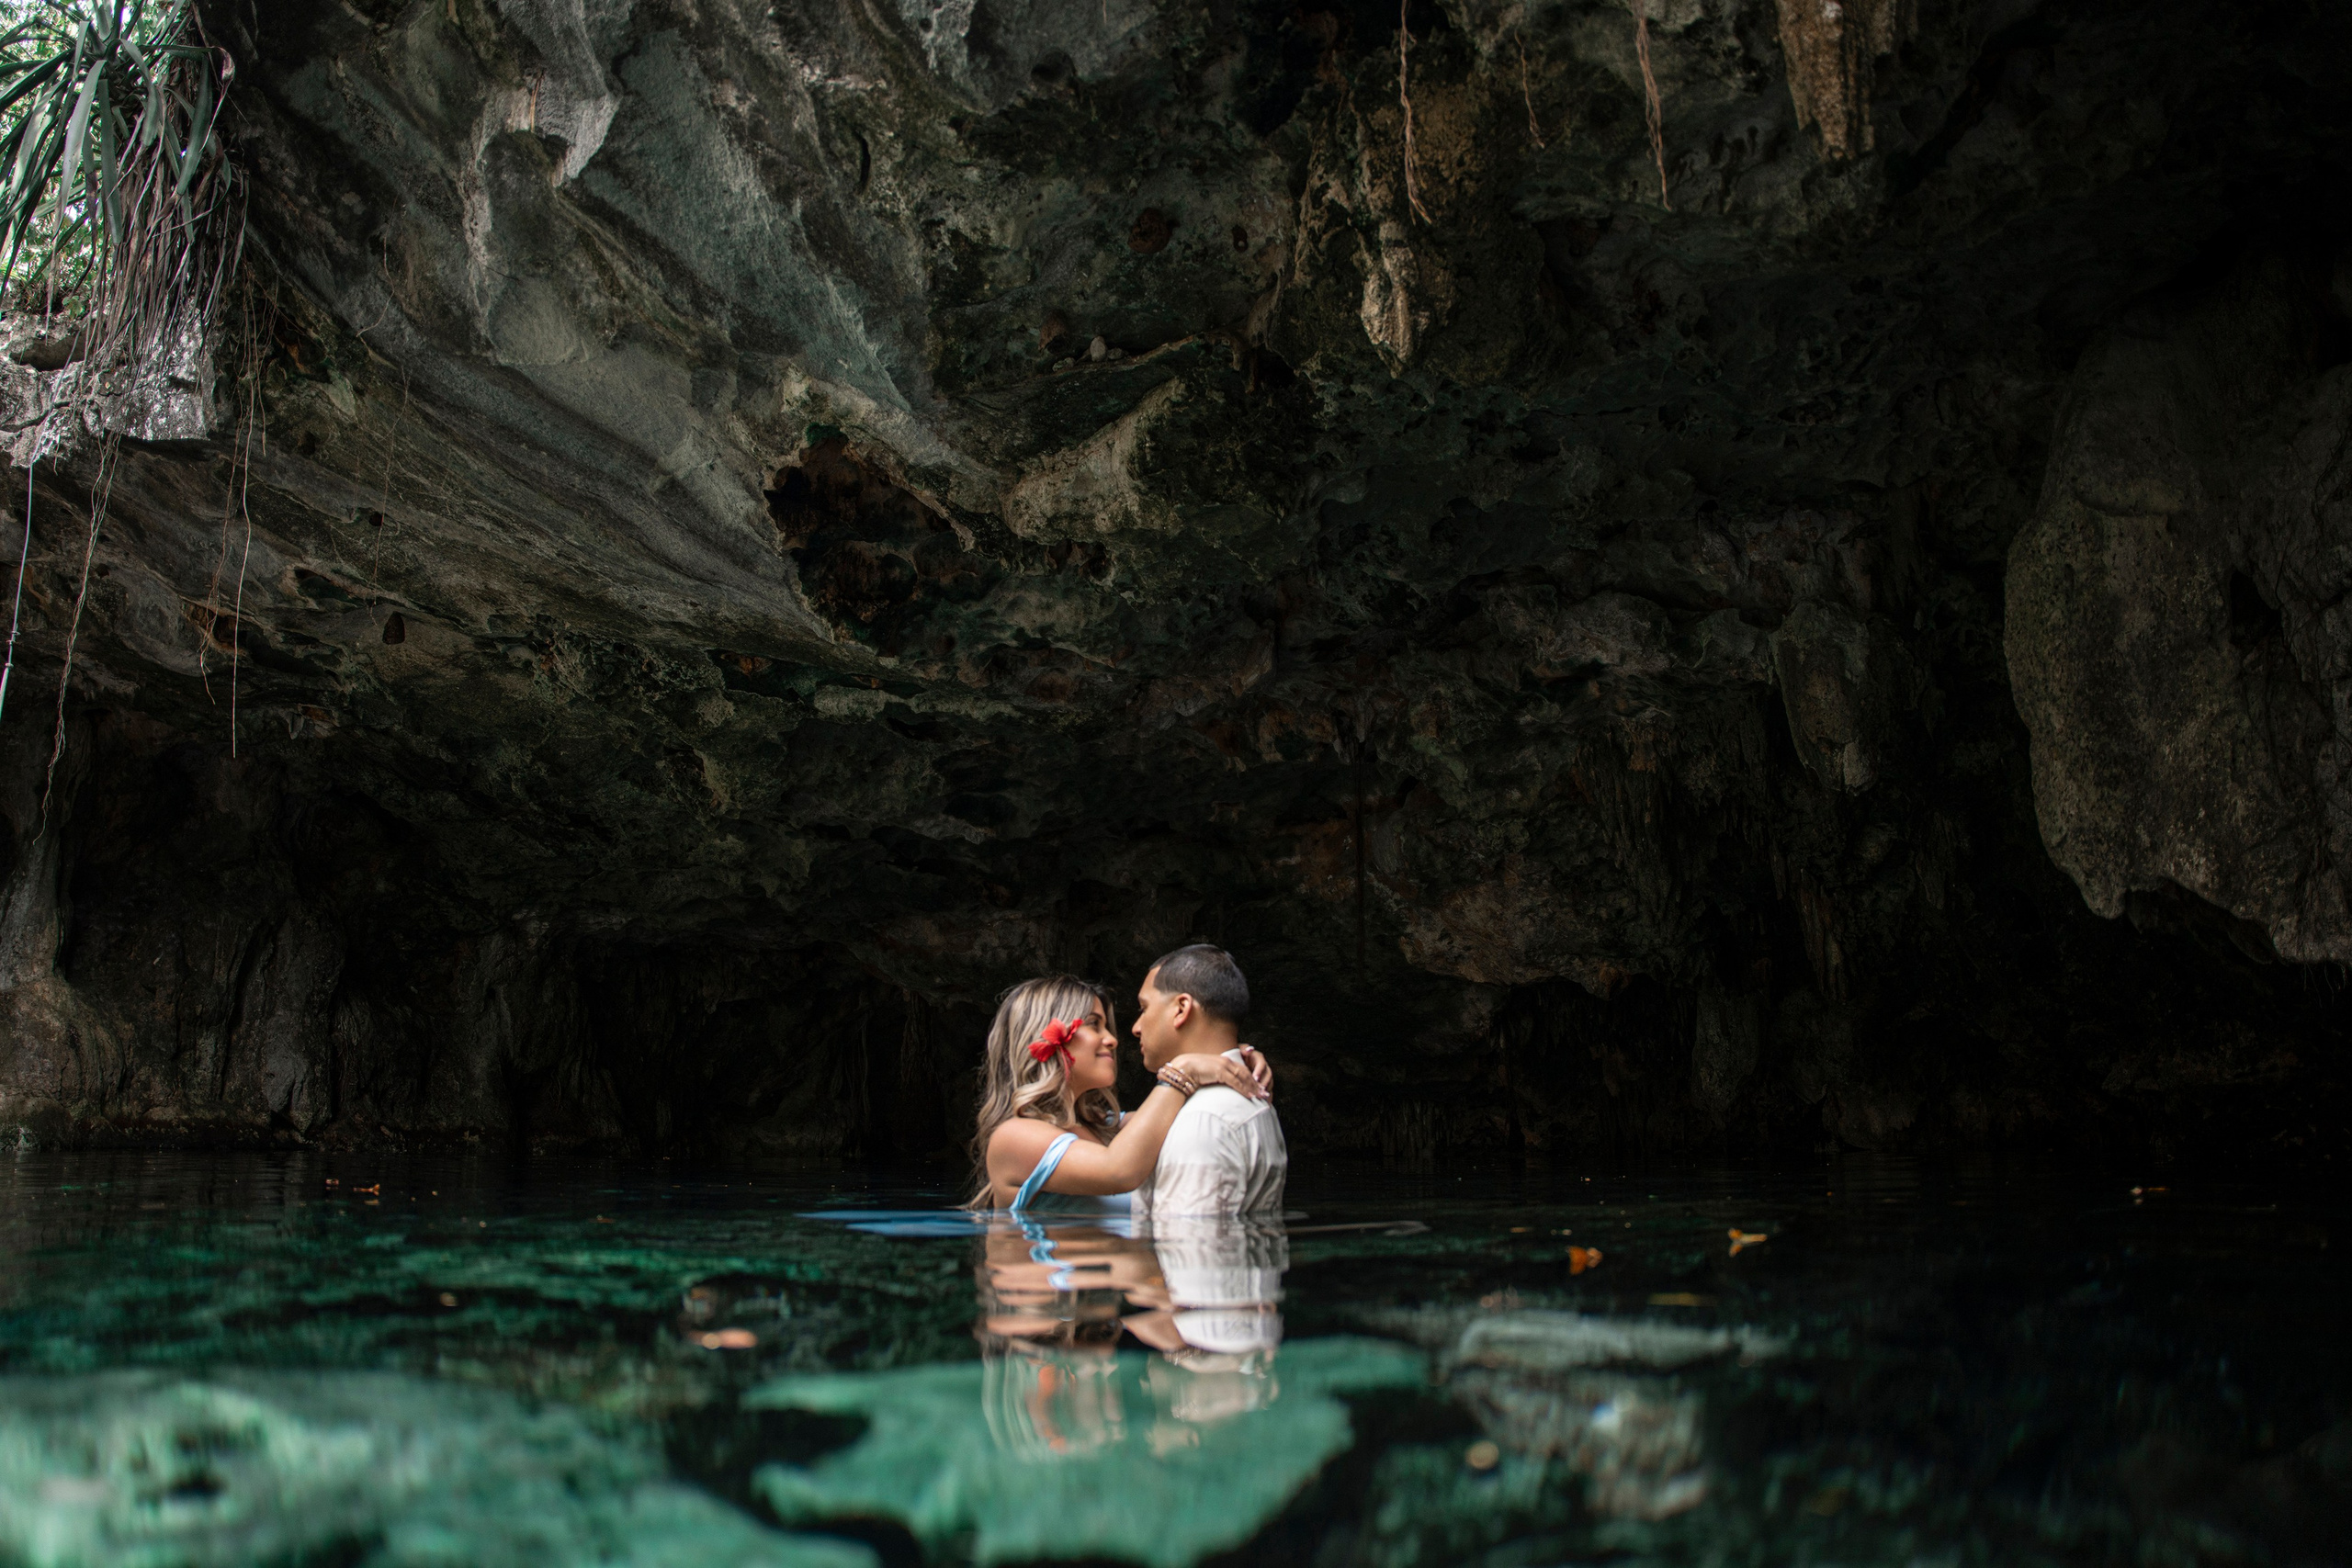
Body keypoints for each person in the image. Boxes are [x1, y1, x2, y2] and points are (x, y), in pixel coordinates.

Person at [968, 974, 1268, 1211]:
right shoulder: (1013, 1137)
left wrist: (1231, 1060)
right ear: (1043, 1036)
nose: (1111, 1039)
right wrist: (1183, 1070)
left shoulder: (1105, 1126)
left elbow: (1192, 1119)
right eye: (1093, 1025)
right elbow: (1118, 1171)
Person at [1129, 944, 1287, 1216]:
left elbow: (1191, 1248)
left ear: (1181, 1009)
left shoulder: (1202, 1118)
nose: (1136, 1027)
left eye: (1144, 1008)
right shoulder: (1255, 1101)